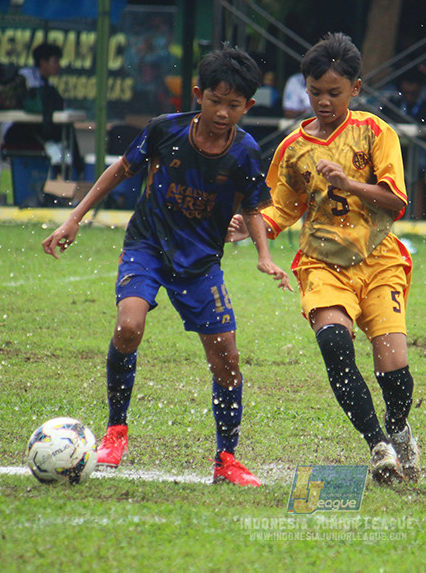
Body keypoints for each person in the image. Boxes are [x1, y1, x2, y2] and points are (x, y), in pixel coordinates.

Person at [42, 47, 292, 486]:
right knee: (128, 326)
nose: (223, 111)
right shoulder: (165, 130)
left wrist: (264, 256)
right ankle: (116, 431)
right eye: (215, 100)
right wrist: (74, 217)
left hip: (201, 264)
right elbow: (120, 171)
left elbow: (254, 207)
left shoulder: (247, 152)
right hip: (148, 247)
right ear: (198, 95)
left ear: (248, 107)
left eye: (234, 105)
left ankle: (226, 459)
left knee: (227, 360)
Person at [229, 32, 419, 484]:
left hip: (379, 260)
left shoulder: (375, 132)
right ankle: (379, 446)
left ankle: (398, 427)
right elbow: (282, 205)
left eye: (334, 93)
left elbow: (396, 203)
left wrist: (350, 185)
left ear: (355, 89)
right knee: (334, 345)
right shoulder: (293, 148)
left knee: (395, 373)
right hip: (321, 263)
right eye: (315, 92)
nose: (323, 101)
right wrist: (253, 226)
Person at [0, 43, 82, 180]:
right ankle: (77, 175)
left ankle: (69, 176)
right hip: (16, 130)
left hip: (35, 130)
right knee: (64, 133)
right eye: (55, 61)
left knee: (66, 132)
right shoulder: (24, 78)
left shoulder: (48, 84)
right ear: (43, 62)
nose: (59, 65)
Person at [382, 68, 426, 219]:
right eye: (405, 93)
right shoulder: (392, 105)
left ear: (420, 89)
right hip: (394, 147)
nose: (409, 97)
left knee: (419, 163)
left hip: (421, 148)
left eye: (413, 94)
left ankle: (416, 214)